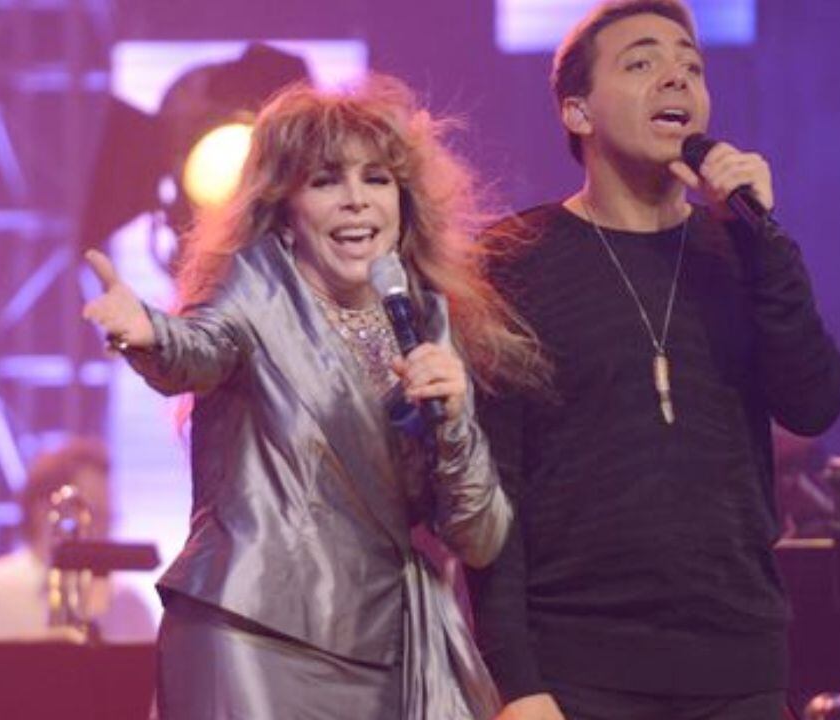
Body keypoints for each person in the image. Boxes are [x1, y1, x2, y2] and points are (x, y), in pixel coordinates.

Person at [81, 75, 543, 719]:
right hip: (252, 630)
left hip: (387, 647)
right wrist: (149, 334)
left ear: (404, 203)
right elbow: (197, 349)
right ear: (286, 211)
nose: (356, 200)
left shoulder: (429, 324)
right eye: (325, 181)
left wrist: (457, 419)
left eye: (376, 179)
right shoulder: (256, 290)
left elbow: (480, 536)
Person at [467, 1, 840, 718]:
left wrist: (762, 240)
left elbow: (814, 402)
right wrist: (514, 679)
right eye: (641, 62)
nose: (676, 78)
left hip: (738, 666)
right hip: (577, 668)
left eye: (691, 67)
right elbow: (492, 486)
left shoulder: (743, 251)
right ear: (577, 111)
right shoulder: (515, 260)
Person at [0, 438, 155, 659]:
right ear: (43, 512)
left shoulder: (129, 604)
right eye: (92, 514)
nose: (104, 530)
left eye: (109, 518)